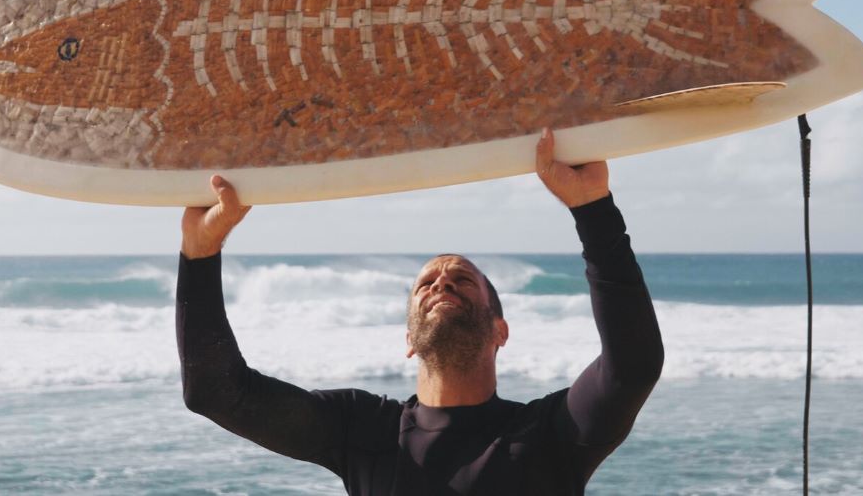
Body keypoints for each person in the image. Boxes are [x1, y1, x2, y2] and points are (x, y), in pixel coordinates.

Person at [176, 127, 663, 495]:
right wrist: (199, 253)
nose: (442, 282)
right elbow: (216, 392)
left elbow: (632, 365)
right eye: (425, 284)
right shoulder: (363, 429)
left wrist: (594, 209)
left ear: (500, 331)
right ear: (408, 339)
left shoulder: (552, 433)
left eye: (462, 280)